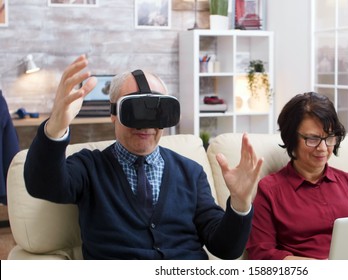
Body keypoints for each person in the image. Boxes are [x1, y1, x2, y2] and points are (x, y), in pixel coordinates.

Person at [24, 55, 263, 260]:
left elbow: (226, 248)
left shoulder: (191, 172)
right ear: (114, 115)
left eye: (155, 111)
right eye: (135, 110)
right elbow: (43, 185)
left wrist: (240, 204)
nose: (146, 124)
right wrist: (55, 127)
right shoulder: (89, 167)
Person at [246, 92, 348, 260]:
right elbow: (261, 253)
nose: (323, 148)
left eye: (330, 137)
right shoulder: (270, 190)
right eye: (313, 139)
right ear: (291, 138)